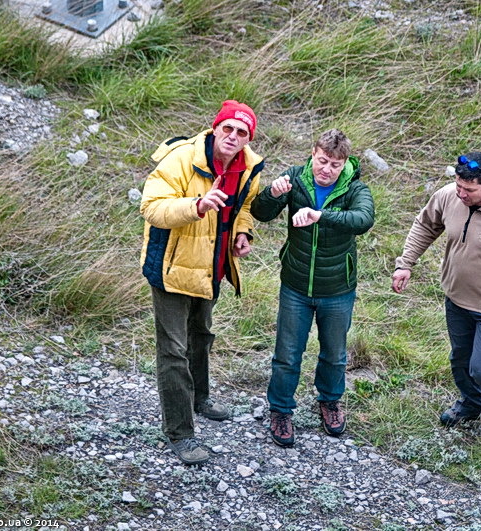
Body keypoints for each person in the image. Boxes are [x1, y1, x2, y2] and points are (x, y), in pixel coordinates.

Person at [140, 100, 265, 464]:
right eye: (228, 128)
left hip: (213, 265)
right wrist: (196, 205)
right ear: (215, 128)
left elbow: (243, 205)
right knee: (173, 350)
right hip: (172, 265)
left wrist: (243, 232)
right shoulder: (181, 158)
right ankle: (180, 433)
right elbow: (152, 208)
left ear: (247, 138)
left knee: (202, 334)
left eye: (242, 132)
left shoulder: (247, 167)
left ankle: (201, 399)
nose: (233, 136)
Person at [391, 151, 481, 438]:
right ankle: (471, 404)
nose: (461, 194)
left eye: (469, 190)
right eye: (459, 186)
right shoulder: (449, 196)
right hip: (457, 301)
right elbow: (425, 225)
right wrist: (405, 264)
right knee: (460, 361)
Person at [251, 129, 375, 447]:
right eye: (322, 161)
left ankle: (330, 402)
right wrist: (273, 194)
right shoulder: (295, 177)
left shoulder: (354, 188)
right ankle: (280, 411)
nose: (326, 169)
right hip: (295, 285)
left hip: (337, 288)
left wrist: (321, 215)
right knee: (287, 354)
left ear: (344, 163)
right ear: (313, 153)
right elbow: (260, 213)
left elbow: (363, 219)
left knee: (334, 355)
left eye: (334, 164)